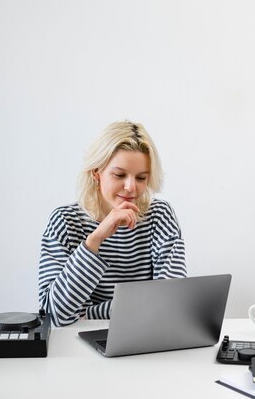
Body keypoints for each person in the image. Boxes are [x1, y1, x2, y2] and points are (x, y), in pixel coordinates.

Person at [38, 121, 187, 326]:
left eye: (141, 178)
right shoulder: (65, 221)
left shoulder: (160, 216)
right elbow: (55, 315)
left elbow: (171, 302)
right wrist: (94, 241)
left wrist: (89, 312)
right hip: (79, 347)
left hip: (145, 339)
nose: (131, 187)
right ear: (96, 172)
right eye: (119, 175)